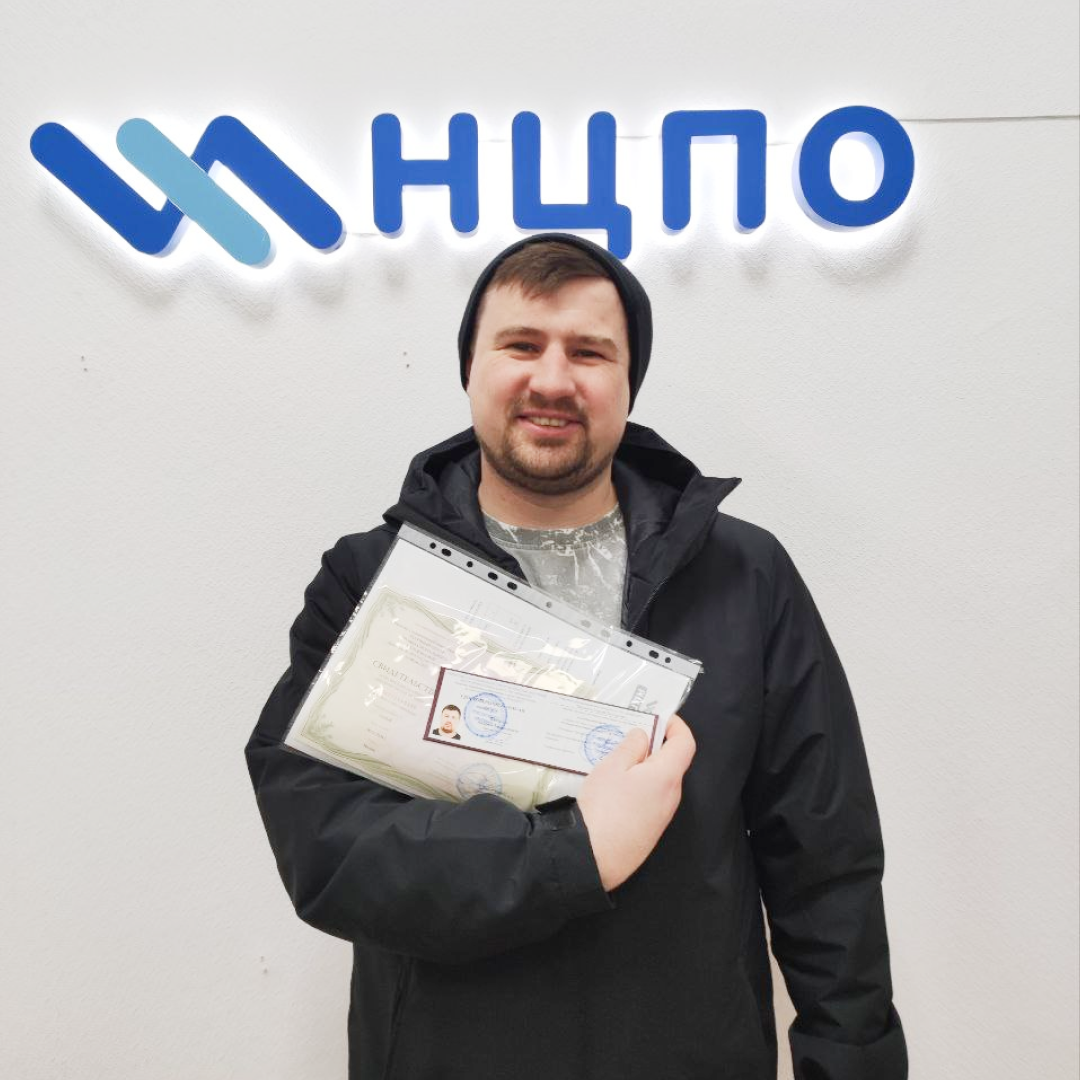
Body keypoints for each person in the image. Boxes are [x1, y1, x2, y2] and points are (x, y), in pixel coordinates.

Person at [245, 233, 908, 1080]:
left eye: (589, 352)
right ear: (471, 367)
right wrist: (577, 852)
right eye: (521, 345)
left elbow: (828, 868)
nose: (553, 380)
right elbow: (329, 846)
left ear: (628, 382)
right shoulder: (373, 583)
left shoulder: (745, 576)